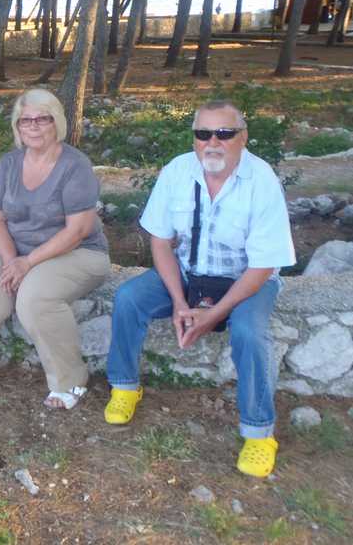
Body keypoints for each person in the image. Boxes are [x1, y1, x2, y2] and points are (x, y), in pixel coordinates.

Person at [104, 100, 295, 478]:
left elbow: (263, 265)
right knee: (128, 298)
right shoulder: (178, 171)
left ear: (243, 137)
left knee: (249, 332)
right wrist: (179, 301)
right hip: (189, 273)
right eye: (203, 133)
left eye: (224, 133)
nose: (213, 142)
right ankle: (124, 386)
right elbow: (160, 241)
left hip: (245, 280)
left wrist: (215, 314)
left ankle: (259, 432)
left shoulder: (262, 180)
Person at [0, 89, 110, 409]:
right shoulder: (10, 163)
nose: (33, 126)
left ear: (56, 122)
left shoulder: (75, 165)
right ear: (17, 126)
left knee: (35, 299)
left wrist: (28, 262)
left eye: (42, 119)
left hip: (76, 252)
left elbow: (77, 231)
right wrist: (11, 260)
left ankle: (70, 379)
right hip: (15, 249)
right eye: (25, 120)